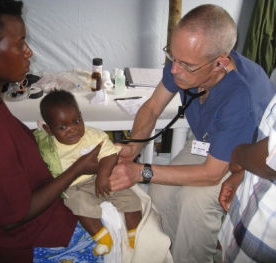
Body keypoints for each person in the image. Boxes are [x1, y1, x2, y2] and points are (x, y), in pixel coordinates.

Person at [0, 0, 104, 262]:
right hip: (23, 240)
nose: (29, 53)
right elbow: (13, 219)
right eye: (19, 44)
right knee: (118, 238)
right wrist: (78, 168)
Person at [109, 4, 275, 263]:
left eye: (185, 65)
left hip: (246, 159)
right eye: (172, 57)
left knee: (194, 202)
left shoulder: (242, 95)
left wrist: (140, 170)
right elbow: (152, 107)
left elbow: (212, 174)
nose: (174, 70)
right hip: (209, 142)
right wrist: (134, 146)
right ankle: (165, 256)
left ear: (220, 61)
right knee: (161, 191)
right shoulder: (185, 63)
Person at [33, 89, 142, 256]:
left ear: (81, 116)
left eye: (76, 121)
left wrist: (103, 175)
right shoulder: (49, 147)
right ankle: (102, 237)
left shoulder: (92, 135)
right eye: (62, 127)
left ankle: (135, 237)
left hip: (98, 178)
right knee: (77, 205)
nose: (72, 130)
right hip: (72, 187)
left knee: (131, 198)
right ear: (49, 130)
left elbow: (110, 152)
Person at [218, 95, 276, 262]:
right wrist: (245, 173)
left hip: (263, 241)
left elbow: (271, 159)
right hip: (249, 210)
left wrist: (238, 156)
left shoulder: (238, 93)